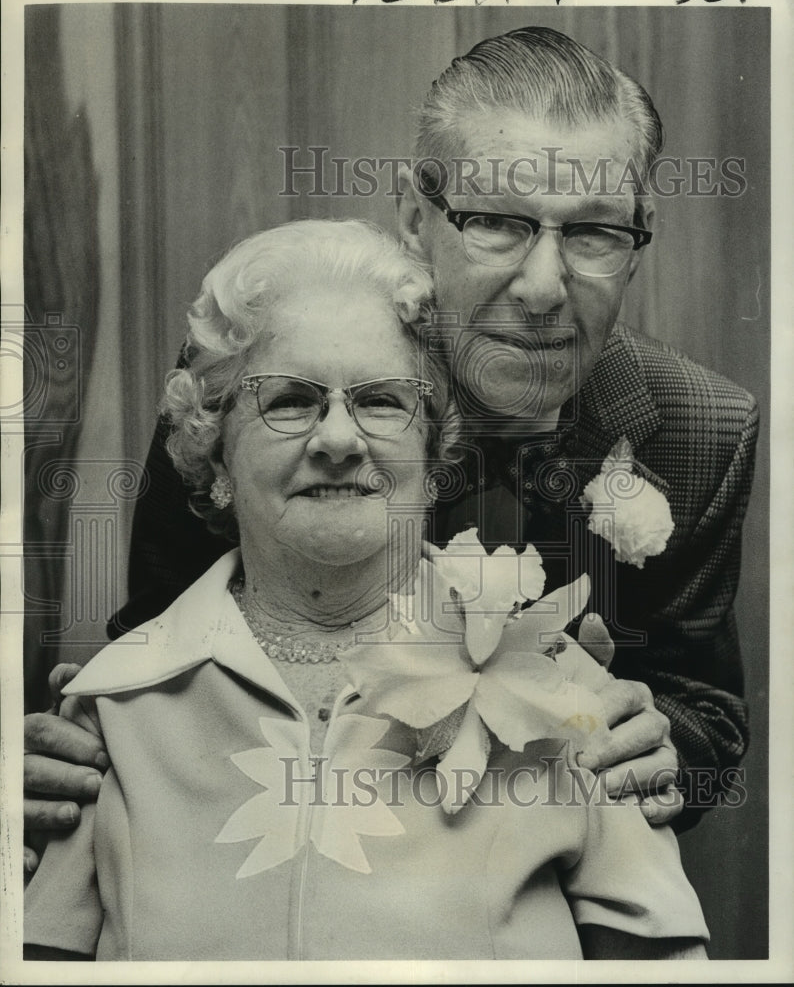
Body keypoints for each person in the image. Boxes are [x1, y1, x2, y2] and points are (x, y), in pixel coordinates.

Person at [23, 25, 758, 866]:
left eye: (593, 232)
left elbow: (708, 709)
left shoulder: (703, 426)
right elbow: (154, 642)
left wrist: (664, 744)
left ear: (639, 236)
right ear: (417, 218)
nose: (545, 289)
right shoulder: (258, 393)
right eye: (497, 223)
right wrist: (83, 754)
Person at [23, 219, 709, 961]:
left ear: (433, 446)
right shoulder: (116, 711)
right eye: (289, 400)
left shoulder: (562, 690)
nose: (339, 439)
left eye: (382, 400)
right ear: (212, 453)